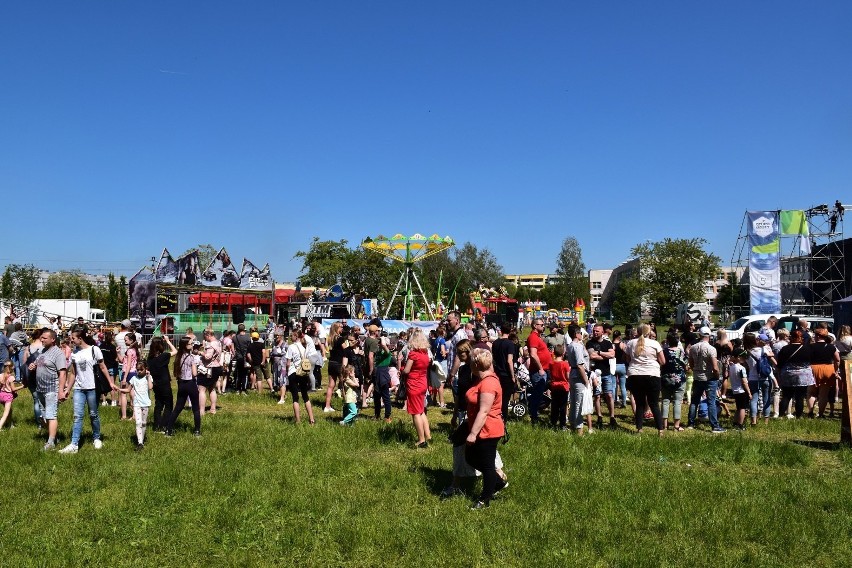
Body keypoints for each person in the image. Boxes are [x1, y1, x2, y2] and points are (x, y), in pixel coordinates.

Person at [58, 332, 116, 454]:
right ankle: (74, 444)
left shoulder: (94, 350)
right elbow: (73, 373)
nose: (71, 341)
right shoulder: (74, 353)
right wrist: (68, 389)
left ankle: (96, 438)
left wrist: (110, 383)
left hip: (93, 388)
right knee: (77, 416)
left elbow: (103, 367)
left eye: (73, 338)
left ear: (81, 338)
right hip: (79, 389)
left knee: (93, 414)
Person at [464, 348, 507, 509]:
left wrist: (473, 434)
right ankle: (496, 482)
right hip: (480, 428)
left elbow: (484, 411)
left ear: (476, 364)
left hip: (488, 430)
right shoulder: (482, 378)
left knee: (487, 465)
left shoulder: (489, 383)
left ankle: (484, 499)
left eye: (470, 361)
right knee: (470, 458)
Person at [624, 323, 665, 436]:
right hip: (652, 374)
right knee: (654, 404)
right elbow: (662, 361)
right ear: (648, 332)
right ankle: (660, 430)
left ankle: (639, 429)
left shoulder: (631, 343)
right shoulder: (655, 343)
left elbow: (627, 359)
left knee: (640, 403)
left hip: (635, 374)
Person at [30, 329, 67, 451]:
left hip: (52, 389)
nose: (42, 340)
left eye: (45, 338)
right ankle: (54, 437)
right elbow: (38, 362)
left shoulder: (58, 354)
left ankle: (50, 443)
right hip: (40, 388)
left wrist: (61, 391)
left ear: (53, 339)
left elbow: (62, 373)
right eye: (41, 338)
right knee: (45, 415)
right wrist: (33, 365)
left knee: (51, 415)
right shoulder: (42, 350)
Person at [687, 327, 724, 433]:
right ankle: (714, 425)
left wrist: (696, 369)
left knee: (694, 401)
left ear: (699, 335)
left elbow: (691, 363)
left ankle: (691, 423)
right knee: (711, 402)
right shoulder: (711, 349)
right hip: (709, 377)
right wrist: (716, 375)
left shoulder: (693, 348)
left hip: (697, 377)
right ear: (709, 336)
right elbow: (715, 366)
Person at [165, 337, 202, 437]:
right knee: (196, 408)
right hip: (190, 383)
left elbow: (176, 372)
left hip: (181, 384)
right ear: (186, 346)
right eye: (190, 344)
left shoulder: (178, 357)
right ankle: (197, 431)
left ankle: (169, 430)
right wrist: (199, 370)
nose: (192, 345)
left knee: (178, 407)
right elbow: (194, 373)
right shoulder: (191, 358)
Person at [401, 328, 431, 448]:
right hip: (423, 383)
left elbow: (407, 370)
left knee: (415, 412)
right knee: (421, 410)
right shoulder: (425, 354)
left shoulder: (413, 354)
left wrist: (402, 370)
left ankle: (421, 439)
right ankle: (428, 435)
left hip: (414, 384)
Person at [776, 329, 813, 419]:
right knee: (800, 397)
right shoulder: (807, 349)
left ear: (791, 338)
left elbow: (779, 363)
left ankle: (780, 415)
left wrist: (778, 374)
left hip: (788, 374)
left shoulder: (785, 349)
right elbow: (811, 361)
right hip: (803, 375)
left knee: (786, 396)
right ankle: (798, 416)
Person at [743, 333, 777, 426]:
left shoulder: (746, 352)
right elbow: (772, 357)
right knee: (766, 399)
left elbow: (746, 365)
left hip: (753, 378)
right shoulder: (764, 349)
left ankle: (753, 420)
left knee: (754, 400)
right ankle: (766, 421)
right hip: (765, 377)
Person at [119, 360, 153, 450]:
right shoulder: (134, 379)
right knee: (138, 423)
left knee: (144, 423)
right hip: (137, 404)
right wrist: (119, 389)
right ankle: (140, 443)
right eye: (137, 370)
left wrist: (148, 377)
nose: (139, 371)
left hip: (145, 404)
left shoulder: (148, 378)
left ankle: (142, 438)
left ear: (146, 369)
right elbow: (128, 390)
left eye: (141, 370)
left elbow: (150, 387)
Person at [587, 324, 616, 429]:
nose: (595, 333)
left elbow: (612, 355)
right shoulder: (589, 343)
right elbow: (592, 356)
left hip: (606, 373)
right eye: (594, 331)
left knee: (609, 395)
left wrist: (599, 352)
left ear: (602, 332)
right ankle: (599, 416)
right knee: (597, 396)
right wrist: (605, 356)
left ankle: (612, 417)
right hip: (595, 374)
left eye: (597, 331)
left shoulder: (607, 343)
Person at [808, 323, 840, 418]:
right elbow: (837, 360)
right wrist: (836, 370)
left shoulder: (811, 346)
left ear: (817, 336)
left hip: (813, 368)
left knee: (811, 392)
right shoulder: (831, 347)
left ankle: (810, 412)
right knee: (823, 394)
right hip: (828, 369)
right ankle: (821, 414)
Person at [286, 330, 317, 425]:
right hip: (303, 372)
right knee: (305, 396)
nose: (290, 338)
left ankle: (298, 420)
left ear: (296, 336)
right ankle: (311, 419)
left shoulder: (291, 347)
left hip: (293, 372)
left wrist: (287, 371)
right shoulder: (305, 347)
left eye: (291, 336)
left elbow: (288, 363)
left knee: (295, 398)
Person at [147, 336, 177, 432]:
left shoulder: (150, 359)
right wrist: (168, 341)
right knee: (168, 405)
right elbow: (175, 351)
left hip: (155, 384)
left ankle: (156, 426)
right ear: (161, 345)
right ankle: (164, 425)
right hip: (164, 384)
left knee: (158, 405)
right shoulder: (163, 356)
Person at [565, 324, 591, 434]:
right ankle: (579, 430)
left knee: (574, 402)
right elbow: (580, 365)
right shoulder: (577, 347)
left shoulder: (571, 345)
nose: (582, 335)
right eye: (580, 333)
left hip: (573, 374)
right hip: (579, 375)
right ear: (576, 334)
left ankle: (572, 425)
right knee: (579, 404)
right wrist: (586, 381)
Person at [525, 318, 552, 425]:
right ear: (535, 326)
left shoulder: (538, 337)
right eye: (541, 324)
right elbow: (533, 354)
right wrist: (540, 368)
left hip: (544, 370)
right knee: (538, 394)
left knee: (540, 393)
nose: (543, 326)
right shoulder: (533, 337)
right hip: (538, 371)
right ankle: (534, 416)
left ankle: (534, 411)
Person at [660, 333, 687, 431]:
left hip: (666, 379)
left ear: (667, 341)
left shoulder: (664, 352)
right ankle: (676, 425)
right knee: (677, 402)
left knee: (665, 401)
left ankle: (664, 425)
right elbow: (686, 366)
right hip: (679, 379)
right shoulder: (681, 353)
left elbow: (661, 364)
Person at [324, 322, 347, 413]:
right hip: (339, 364)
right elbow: (346, 349)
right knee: (344, 385)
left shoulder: (329, 338)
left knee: (331, 386)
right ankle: (347, 405)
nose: (342, 328)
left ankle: (327, 406)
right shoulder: (340, 339)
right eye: (341, 327)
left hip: (331, 363)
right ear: (336, 328)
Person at [117, 333, 141, 421]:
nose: (124, 341)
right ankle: (132, 415)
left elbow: (129, 365)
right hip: (130, 373)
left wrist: (124, 377)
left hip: (129, 373)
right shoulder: (132, 350)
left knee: (128, 394)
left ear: (131, 340)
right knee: (130, 395)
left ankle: (127, 415)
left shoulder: (130, 351)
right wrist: (118, 352)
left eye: (126, 340)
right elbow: (122, 360)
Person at [199, 330, 222, 415]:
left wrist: (200, 352)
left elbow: (208, 357)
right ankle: (213, 409)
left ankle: (201, 411)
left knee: (202, 389)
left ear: (208, 335)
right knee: (212, 388)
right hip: (217, 367)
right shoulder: (218, 343)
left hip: (209, 368)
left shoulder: (211, 345)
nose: (205, 338)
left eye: (205, 337)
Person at [728, 350, 751, 430]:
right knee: (742, 408)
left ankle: (735, 422)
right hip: (741, 390)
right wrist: (749, 392)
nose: (744, 359)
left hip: (735, 390)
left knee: (738, 408)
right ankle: (740, 424)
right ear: (738, 357)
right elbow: (744, 382)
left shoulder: (731, 367)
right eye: (743, 357)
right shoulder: (741, 368)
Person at [549, 343, 570, 430]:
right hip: (563, 386)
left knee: (554, 405)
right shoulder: (565, 364)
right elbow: (568, 376)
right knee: (563, 406)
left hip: (554, 386)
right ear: (563, 353)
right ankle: (562, 424)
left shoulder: (551, 363)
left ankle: (553, 422)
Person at [0, 361, 25, 429]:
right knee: (5, 414)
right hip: (8, 396)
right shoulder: (11, 377)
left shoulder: (1, 375)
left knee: (10, 411)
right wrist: (22, 386)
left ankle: (10, 425)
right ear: (11, 367)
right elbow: (13, 389)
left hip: (1, 396)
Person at [247, 331, 269, 395]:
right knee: (267, 376)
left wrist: (251, 361)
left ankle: (259, 392)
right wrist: (263, 360)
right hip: (262, 362)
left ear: (252, 338)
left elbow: (248, 355)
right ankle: (272, 388)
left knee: (259, 378)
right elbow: (264, 352)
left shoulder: (250, 345)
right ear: (258, 337)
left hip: (255, 363)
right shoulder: (261, 344)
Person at [232, 324, 252, 395]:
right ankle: (243, 389)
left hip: (238, 357)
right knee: (245, 374)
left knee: (238, 374)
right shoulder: (248, 338)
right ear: (244, 330)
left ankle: (237, 389)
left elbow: (232, 348)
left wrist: (235, 353)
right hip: (245, 358)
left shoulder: (234, 338)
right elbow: (250, 348)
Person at [270, 332, 289, 404]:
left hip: (283, 365)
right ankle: (284, 395)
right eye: (275, 335)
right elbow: (272, 354)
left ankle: (282, 399)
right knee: (277, 382)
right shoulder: (274, 344)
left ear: (281, 336)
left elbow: (289, 356)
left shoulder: (285, 345)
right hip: (275, 365)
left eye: (278, 335)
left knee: (282, 381)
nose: (276, 337)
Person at [612, 330, 629, 409]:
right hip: (622, 365)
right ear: (619, 336)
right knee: (623, 386)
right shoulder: (622, 344)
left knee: (614, 385)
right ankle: (624, 402)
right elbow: (626, 355)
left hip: (613, 365)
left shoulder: (612, 345)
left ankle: (614, 400)